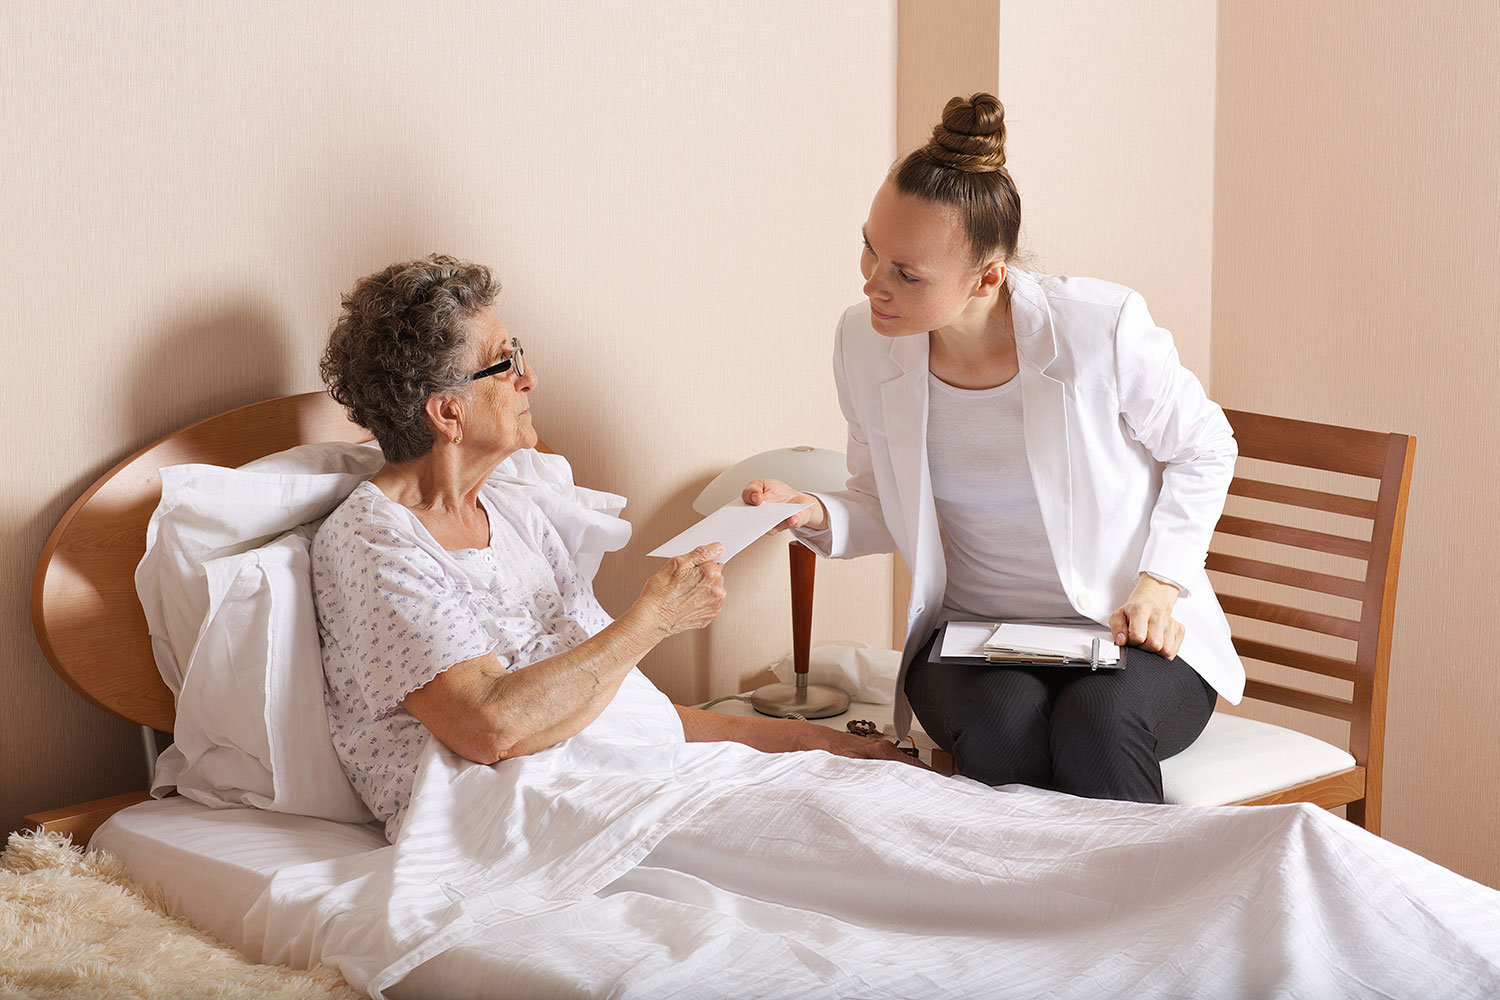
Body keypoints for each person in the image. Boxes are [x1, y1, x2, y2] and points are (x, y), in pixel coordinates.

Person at [311, 253, 916, 840]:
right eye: (505, 361)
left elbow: (619, 708)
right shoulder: (375, 543)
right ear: (448, 412)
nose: (530, 377)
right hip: (518, 814)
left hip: (620, 774)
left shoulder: (517, 515)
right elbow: (491, 728)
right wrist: (652, 620)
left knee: (884, 808)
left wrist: (813, 743)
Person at [745, 92, 1243, 804]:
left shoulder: (1098, 329)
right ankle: (1008, 912)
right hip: (974, 640)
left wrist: (1159, 583)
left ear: (987, 276)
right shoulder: (864, 342)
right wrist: (814, 513)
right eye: (870, 248)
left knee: (1096, 721)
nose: (871, 282)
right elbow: (883, 504)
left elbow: (1205, 447)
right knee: (1003, 722)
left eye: (906, 273)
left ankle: (1129, 914)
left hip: (1125, 633)